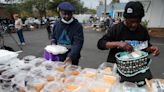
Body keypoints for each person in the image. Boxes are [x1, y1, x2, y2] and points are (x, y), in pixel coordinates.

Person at [97, 1, 160, 87]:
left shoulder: (143, 31)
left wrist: (151, 49)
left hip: (136, 71)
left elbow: (144, 48)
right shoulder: (116, 29)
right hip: (116, 70)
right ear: (125, 18)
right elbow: (100, 44)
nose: (134, 24)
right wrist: (118, 44)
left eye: (138, 21)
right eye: (131, 21)